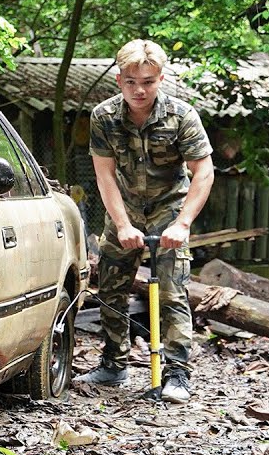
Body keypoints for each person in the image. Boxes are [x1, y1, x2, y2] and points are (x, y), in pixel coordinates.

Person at [76, 39, 215, 402]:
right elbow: (104, 176)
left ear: (161, 78)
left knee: (172, 292)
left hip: (170, 210)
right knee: (110, 288)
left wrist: (182, 224)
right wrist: (122, 225)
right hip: (124, 209)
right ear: (119, 79)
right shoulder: (104, 116)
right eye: (131, 82)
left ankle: (177, 374)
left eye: (148, 82)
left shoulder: (182, 115)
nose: (139, 90)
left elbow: (203, 172)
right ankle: (113, 363)